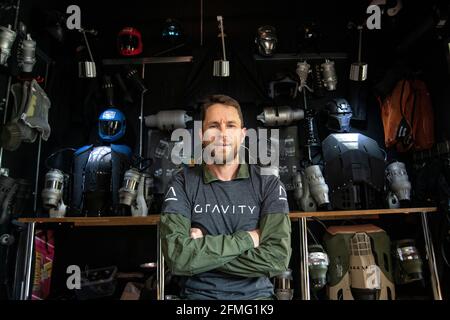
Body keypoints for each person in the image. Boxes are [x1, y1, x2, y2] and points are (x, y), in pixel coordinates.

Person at [160, 94, 292, 300]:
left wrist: (203, 251)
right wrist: (249, 238)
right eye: (213, 126)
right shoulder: (183, 183)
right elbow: (179, 257)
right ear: (202, 134)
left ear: (242, 134)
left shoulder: (268, 184)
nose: (222, 134)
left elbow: (277, 258)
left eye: (230, 125)